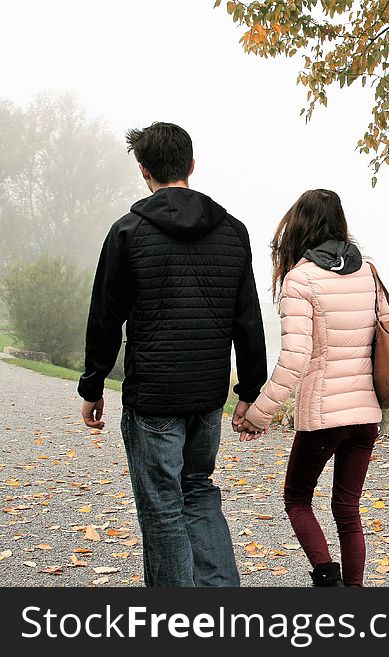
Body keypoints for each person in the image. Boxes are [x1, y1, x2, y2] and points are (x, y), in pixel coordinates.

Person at [78, 122, 267, 587]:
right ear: (192, 165)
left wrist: (93, 384)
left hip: (154, 397)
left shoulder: (128, 232)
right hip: (207, 396)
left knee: (162, 507)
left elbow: (105, 315)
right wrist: (249, 390)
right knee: (198, 492)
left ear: (143, 171)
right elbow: (247, 316)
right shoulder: (233, 232)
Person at [236, 189, 389, 587]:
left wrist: (258, 414)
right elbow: (386, 336)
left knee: (297, 498)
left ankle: (327, 580)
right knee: (347, 508)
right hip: (366, 415)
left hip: (325, 416)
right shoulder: (368, 272)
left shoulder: (301, 279)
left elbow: (294, 358)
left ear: (299, 226)